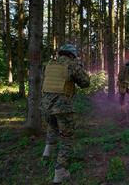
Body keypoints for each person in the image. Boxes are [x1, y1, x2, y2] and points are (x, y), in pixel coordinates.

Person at [41, 44, 90, 184]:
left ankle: (47, 154)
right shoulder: (71, 65)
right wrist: (79, 67)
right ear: (71, 55)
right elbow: (86, 83)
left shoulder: (49, 64)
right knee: (66, 138)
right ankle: (60, 172)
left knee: (52, 127)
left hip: (45, 107)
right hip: (62, 108)